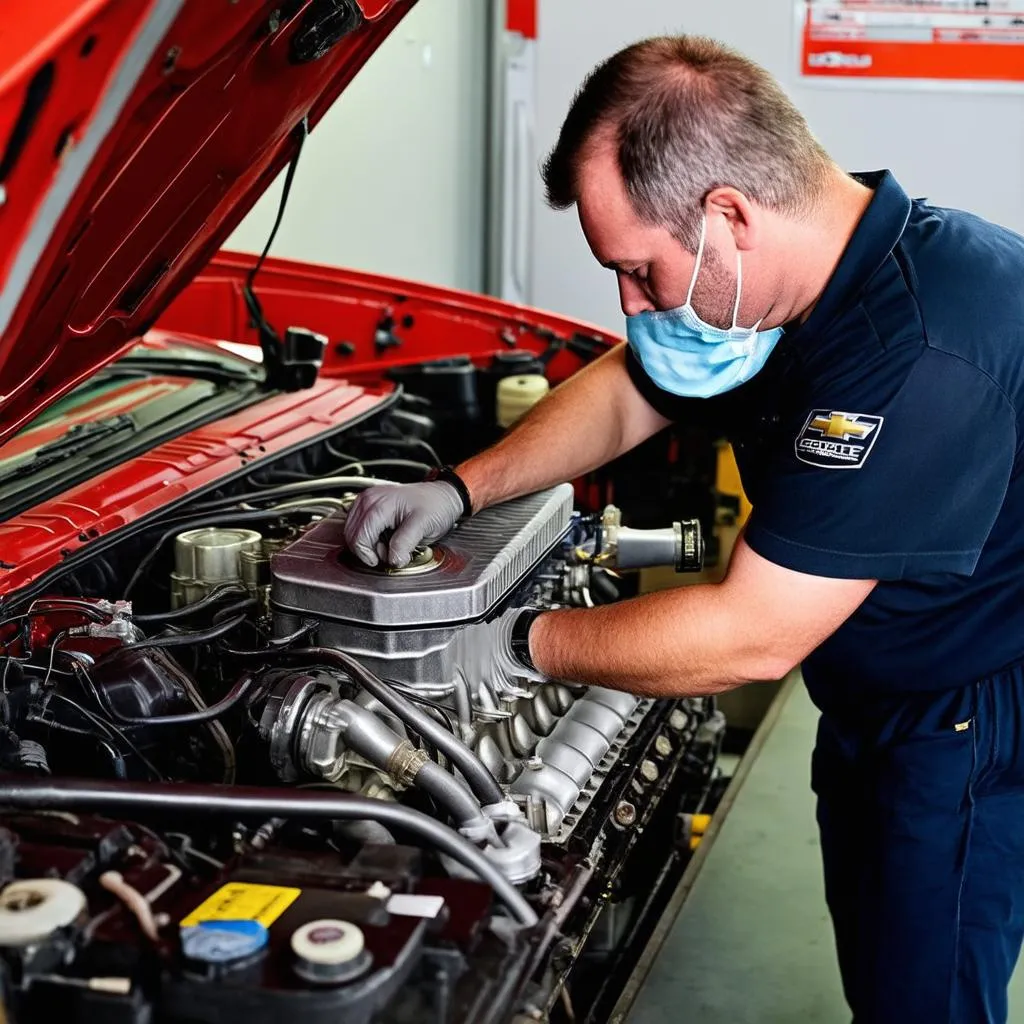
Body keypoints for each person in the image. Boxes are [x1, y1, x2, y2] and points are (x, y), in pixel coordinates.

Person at [343, 35, 1024, 1024]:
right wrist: (462, 488)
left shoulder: (922, 348)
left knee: (924, 995)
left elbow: (750, 635)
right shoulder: (789, 280)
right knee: (877, 960)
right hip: (872, 686)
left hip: (957, 712)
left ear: (727, 216)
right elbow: (632, 388)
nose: (627, 301)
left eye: (637, 269)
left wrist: (505, 644)